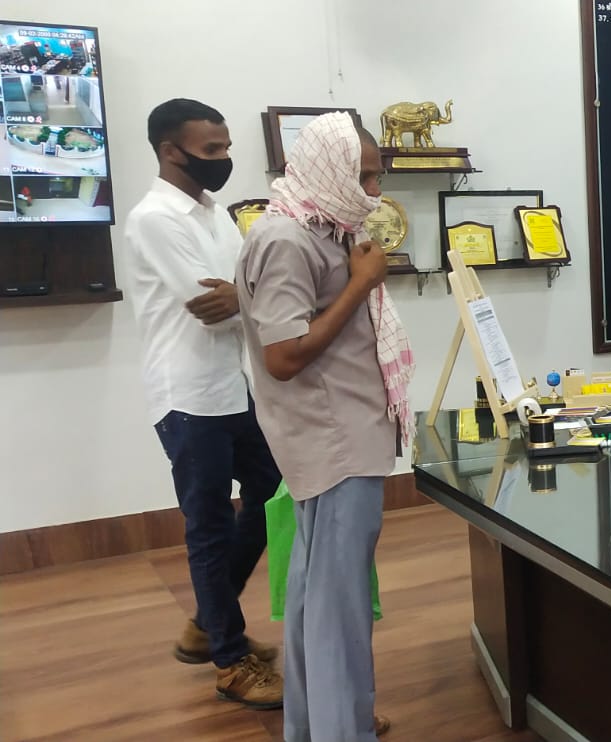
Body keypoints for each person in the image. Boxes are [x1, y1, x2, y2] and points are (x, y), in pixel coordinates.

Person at [236, 112, 412, 741]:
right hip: (335, 441)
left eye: (376, 175)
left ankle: (318, 726)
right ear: (325, 169)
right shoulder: (287, 238)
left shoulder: (320, 225)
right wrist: (360, 285)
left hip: (339, 436)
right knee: (339, 610)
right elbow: (283, 357)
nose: (373, 191)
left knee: (316, 598)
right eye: (361, 176)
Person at [124, 98, 283, 710]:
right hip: (186, 395)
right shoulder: (154, 218)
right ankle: (229, 660)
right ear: (171, 151)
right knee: (210, 525)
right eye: (211, 150)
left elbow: (240, 291)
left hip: (230, 386)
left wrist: (243, 294)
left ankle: (209, 624)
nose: (224, 158)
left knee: (273, 492)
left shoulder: (216, 214)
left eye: (226, 147)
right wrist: (247, 294)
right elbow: (211, 307)